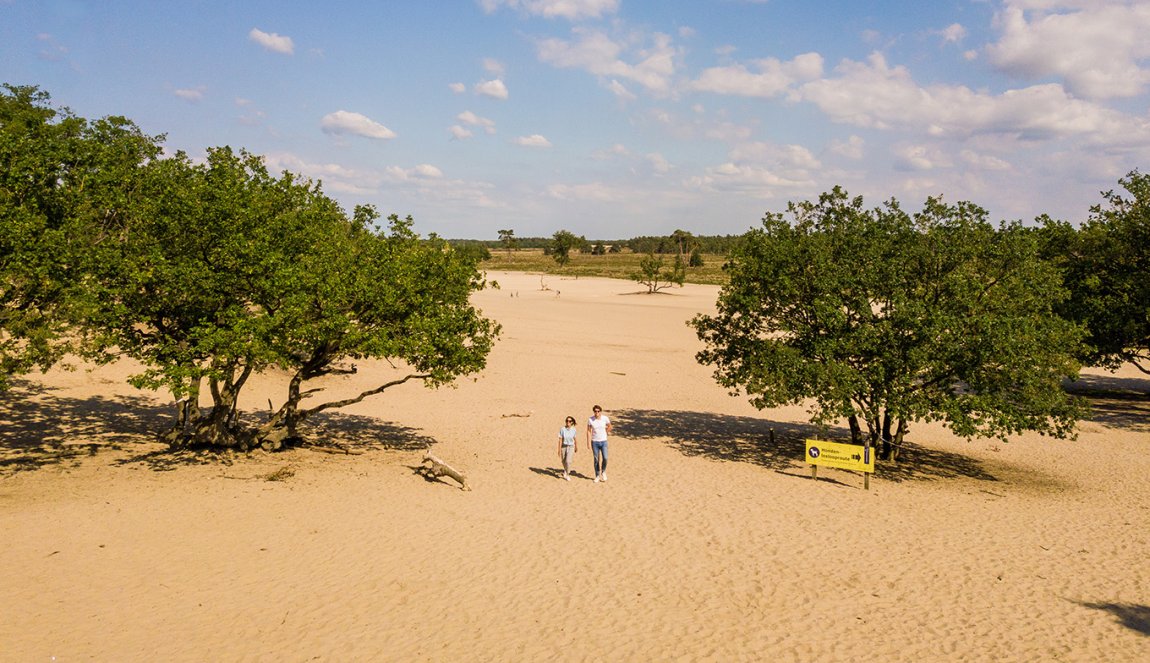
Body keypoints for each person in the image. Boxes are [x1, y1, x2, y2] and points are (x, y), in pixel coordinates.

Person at [586, 404, 612, 482]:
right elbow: (588, 431)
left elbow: (610, 426)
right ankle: (597, 475)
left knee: (605, 458)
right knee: (596, 459)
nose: (596, 412)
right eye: (595, 411)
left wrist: (606, 432)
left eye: (598, 411)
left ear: (600, 411)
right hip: (595, 442)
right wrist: (588, 442)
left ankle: (603, 471)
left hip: (603, 441)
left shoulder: (605, 418)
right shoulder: (591, 419)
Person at [557, 416, 578, 481]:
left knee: (568, 461)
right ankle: (565, 470)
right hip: (564, 446)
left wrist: (576, 446)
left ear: (572, 422)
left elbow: (575, 439)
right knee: (563, 461)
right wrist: (559, 449)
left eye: (569, 421)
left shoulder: (574, 429)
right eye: (567, 421)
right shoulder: (562, 429)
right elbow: (560, 439)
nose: (568, 422)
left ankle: (567, 474)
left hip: (571, 446)